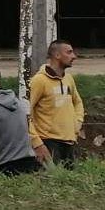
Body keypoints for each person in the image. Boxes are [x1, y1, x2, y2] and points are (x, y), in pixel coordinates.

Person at [28, 39, 85, 167]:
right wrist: (37, 143)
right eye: (69, 52)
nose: (74, 56)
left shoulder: (68, 78)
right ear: (57, 55)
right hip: (49, 143)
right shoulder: (39, 81)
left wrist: (78, 123)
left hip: (69, 143)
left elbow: (78, 102)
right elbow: (25, 113)